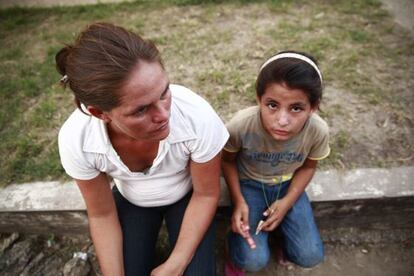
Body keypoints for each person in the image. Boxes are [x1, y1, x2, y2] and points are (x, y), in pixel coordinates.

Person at [56, 22, 229, 276]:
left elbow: (206, 195)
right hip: (132, 201)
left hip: (189, 197)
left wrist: (177, 262)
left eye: (164, 92)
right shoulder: (77, 140)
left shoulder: (196, 116)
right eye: (140, 109)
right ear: (99, 113)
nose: (163, 115)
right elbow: (102, 215)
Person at [222, 51, 330, 275]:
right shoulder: (241, 125)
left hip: (288, 185)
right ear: (258, 98)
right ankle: (236, 256)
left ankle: (282, 238)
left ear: (313, 106)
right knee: (252, 261)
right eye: (272, 105)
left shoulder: (317, 131)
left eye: (296, 108)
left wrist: (288, 202)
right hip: (249, 185)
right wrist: (239, 200)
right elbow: (227, 161)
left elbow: (309, 166)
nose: (282, 120)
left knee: (310, 255)